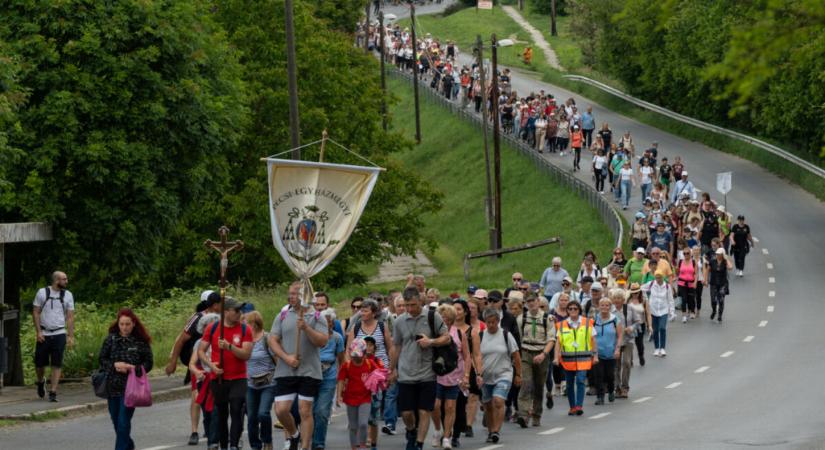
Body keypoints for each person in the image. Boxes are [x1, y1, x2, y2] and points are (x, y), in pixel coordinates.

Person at [269, 282, 330, 450]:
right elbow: (272, 339)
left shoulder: (317, 317)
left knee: (305, 411)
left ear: (305, 296)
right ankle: (294, 435)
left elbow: (322, 341)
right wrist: (286, 357)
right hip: (285, 370)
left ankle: (304, 446)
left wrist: (306, 328)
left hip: (309, 371)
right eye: (290, 293)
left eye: (295, 293)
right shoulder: (282, 315)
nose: (291, 296)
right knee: (281, 410)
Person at [389, 287, 451, 450]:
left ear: (420, 302)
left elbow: (446, 338)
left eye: (413, 305)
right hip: (406, 373)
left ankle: (419, 443)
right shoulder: (399, 321)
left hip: (427, 373)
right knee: (406, 413)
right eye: (406, 305)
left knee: (424, 411)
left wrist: (430, 341)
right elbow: (396, 346)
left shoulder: (432, 316)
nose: (410, 309)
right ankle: (411, 431)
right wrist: (391, 370)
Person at [198, 297, 253, 450]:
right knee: (222, 414)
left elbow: (246, 354)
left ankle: (234, 444)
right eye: (236, 310)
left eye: (240, 310)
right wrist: (211, 366)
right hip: (219, 378)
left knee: (236, 409)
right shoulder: (213, 328)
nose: (239, 313)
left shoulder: (244, 329)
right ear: (226, 312)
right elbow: (201, 351)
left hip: (239, 378)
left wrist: (229, 347)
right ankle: (223, 445)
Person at [166, 291, 221, 445]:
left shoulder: (223, 317)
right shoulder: (197, 318)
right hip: (197, 362)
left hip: (216, 363)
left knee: (215, 397)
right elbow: (181, 339)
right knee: (196, 397)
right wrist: (173, 362)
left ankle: (212, 426)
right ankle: (194, 431)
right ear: (213, 304)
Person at [98, 308, 153, 450]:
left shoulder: (140, 341)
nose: (124, 327)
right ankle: (128, 444)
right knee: (116, 421)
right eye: (121, 324)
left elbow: (148, 363)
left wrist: (134, 369)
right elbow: (102, 360)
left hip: (131, 387)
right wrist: (115, 365)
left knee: (123, 422)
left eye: (127, 324)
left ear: (133, 323)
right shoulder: (111, 339)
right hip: (112, 386)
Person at [348, 299, 393, 450]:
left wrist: (392, 369)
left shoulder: (382, 326)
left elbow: (390, 348)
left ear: (374, 313)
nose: (362, 313)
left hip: (378, 374)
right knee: (362, 406)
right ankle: (364, 438)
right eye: (361, 310)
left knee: (374, 408)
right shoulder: (356, 327)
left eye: (366, 311)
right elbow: (349, 350)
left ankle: (372, 441)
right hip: (360, 374)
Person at [431, 304, 471, 450]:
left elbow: (467, 357)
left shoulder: (459, 334)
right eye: (442, 319)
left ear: (452, 320)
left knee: (450, 407)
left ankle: (447, 437)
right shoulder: (434, 334)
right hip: (436, 377)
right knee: (434, 406)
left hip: (455, 377)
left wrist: (466, 375)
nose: (445, 322)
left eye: (447, 319)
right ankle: (437, 430)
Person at [479, 307, 521, 443]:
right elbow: (476, 356)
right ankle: (491, 431)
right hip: (486, 376)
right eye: (488, 322)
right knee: (488, 406)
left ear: (498, 321)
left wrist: (518, 375)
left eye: (493, 322)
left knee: (498, 401)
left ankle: (496, 430)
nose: (491, 325)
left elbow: (516, 355)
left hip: (504, 374)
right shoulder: (480, 336)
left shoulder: (505, 335)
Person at [32, 271, 75, 403]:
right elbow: (36, 312)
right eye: (64, 279)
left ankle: (53, 391)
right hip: (44, 333)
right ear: (56, 280)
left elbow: (70, 316)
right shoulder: (42, 293)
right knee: (39, 363)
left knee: (57, 363)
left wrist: (70, 335)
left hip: (59, 333)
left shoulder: (68, 295)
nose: (66, 281)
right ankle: (40, 381)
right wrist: (38, 331)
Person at [515, 293, 555, 428]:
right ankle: (523, 415)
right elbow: (519, 339)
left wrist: (543, 354)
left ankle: (536, 415)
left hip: (541, 354)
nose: (531, 303)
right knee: (526, 384)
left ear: (538, 301)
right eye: (528, 301)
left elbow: (551, 340)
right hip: (526, 353)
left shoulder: (547, 318)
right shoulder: (522, 318)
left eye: (533, 301)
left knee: (538, 386)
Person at [553, 300, 596, 416]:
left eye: (575, 309)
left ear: (579, 310)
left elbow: (593, 340)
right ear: (567, 310)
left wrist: (595, 355)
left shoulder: (587, 323)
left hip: (584, 359)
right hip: (568, 360)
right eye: (570, 309)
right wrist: (556, 357)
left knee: (581, 381)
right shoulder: (561, 325)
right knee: (569, 384)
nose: (572, 311)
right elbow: (558, 343)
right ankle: (572, 407)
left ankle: (579, 406)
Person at [312, 308, 345, 450]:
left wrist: (342, 384)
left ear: (333, 323)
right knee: (309, 411)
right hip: (311, 375)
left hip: (329, 376)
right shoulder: (312, 337)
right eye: (323, 323)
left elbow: (342, 361)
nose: (327, 325)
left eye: (329, 323)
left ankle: (318, 443)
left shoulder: (337, 338)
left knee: (322, 411)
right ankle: (308, 437)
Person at [337, 339, 379, 450]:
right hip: (350, 399)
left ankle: (362, 445)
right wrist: (338, 397)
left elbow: (379, 375)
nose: (356, 358)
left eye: (358, 355)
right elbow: (341, 380)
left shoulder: (370, 364)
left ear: (365, 354)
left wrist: (382, 380)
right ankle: (353, 447)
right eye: (354, 355)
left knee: (363, 424)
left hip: (365, 398)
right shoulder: (347, 365)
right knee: (353, 426)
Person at [245, 311, 277, 450]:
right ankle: (255, 446)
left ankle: (267, 440)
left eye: (246, 323)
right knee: (251, 417)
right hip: (250, 384)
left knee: (263, 413)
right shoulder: (244, 340)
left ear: (254, 324)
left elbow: (277, 360)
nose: (243, 326)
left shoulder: (267, 338)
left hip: (268, 382)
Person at [188, 313, 220, 449]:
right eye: (208, 326)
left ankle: (214, 442)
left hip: (219, 379)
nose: (211, 329)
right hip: (204, 380)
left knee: (216, 411)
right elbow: (192, 364)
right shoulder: (200, 343)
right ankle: (211, 436)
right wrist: (196, 372)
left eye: (214, 326)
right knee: (207, 412)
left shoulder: (221, 340)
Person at [593, 299, 623, 405]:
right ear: (599, 306)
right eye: (602, 305)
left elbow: (619, 336)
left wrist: (617, 349)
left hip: (611, 352)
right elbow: (590, 335)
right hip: (597, 352)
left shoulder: (615, 320)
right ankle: (600, 396)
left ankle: (611, 391)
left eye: (606, 305)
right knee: (599, 375)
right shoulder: (594, 319)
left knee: (610, 375)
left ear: (610, 307)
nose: (604, 307)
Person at [612, 289, 636, 398]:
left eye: (619, 298)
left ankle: (625, 387)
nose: (616, 300)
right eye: (615, 298)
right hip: (615, 341)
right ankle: (617, 388)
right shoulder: (610, 311)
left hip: (628, 339)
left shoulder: (630, 309)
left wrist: (631, 327)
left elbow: (638, 321)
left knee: (626, 362)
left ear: (623, 300)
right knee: (616, 365)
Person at [643, 271, 673, 357]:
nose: (658, 279)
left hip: (664, 310)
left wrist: (672, 312)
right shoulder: (651, 284)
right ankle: (656, 348)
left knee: (662, 328)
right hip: (653, 310)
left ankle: (662, 348)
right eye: (656, 277)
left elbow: (670, 300)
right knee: (655, 330)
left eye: (659, 277)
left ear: (663, 277)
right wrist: (646, 298)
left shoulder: (667, 286)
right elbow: (642, 288)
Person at [705, 248, 734, 322]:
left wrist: (726, 259)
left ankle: (720, 315)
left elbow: (730, 267)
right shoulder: (712, 261)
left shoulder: (724, 262)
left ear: (722, 255)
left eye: (719, 254)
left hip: (722, 283)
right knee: (713, 300)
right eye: (717, 254)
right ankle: (714, 311)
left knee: (721, 300)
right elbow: (707, 270)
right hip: (713, 283)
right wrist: (706, 280)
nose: (717, 255)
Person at [676, 249, 698, 322]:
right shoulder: (680, 262)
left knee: (691, 299)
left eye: (687, 253)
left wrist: (695, 282)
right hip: (682, 283)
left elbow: (696, 273)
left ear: (690, 253)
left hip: (691, 283)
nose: (686, 255)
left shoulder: (694, 262)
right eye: (684, 253)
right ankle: (684, 315)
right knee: (684, 299)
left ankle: (692, 311)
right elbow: (677, 272)